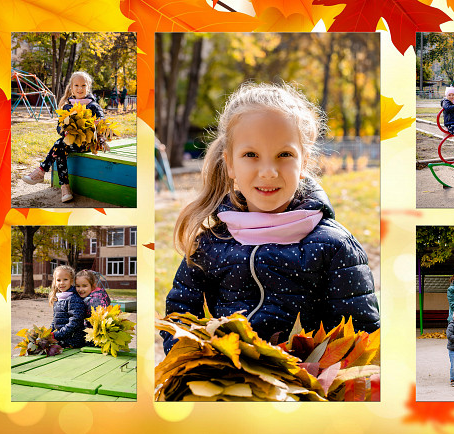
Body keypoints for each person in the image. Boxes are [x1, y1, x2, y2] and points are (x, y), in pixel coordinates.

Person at [161, 83, 379, 353]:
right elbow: (180, 314)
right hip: (222, 384)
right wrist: (194, 361)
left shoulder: (335, 246)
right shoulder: (211, 244)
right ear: (230, 163)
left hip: (302, 387)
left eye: (284, 155)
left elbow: (359, 335)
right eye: (250, 155)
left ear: (304, 161)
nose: (268, 171)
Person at [22, 71, 107, 203]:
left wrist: (97, 123)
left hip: (87, 144)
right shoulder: (68, 106)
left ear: (88, 87)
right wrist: (64, 131)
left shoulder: (93, 105)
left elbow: (102, 120)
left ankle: (42, 171)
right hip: (70, 143)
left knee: (59, 145)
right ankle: (65, 188)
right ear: (71, 87)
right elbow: (59, 126)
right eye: (77, 85)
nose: (80, 89)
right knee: (60, 148)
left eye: (83, 85)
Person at [49, 265, 87, 348]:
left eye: (65, 279)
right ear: (55, 282)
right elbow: (55, 320)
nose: (62, 283)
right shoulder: (58, 298)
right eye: (58, 280)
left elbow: (75, 322)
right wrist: (48, 333)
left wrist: (56, 335)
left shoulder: (74, 299)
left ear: (71, 280)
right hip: (61, 338)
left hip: (72, 341)